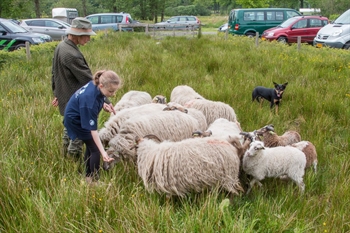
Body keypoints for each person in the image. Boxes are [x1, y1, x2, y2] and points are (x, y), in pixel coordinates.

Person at [51, 17, 115, 159]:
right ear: (78, 34)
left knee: (69, 129)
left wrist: (56, 92)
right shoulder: (72, 55)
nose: (89, 39)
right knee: (79, 133)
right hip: (76, 101)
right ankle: (74, 162)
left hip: (65, 97)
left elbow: (54, 73)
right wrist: (106, 101)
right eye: (87, 36)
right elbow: (89, 80)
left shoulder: (61, 46)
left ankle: (65, 159)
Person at [64, 70, 120, 184]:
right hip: (76, 121)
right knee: (95, 149)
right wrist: (103, 153)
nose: (113, 94)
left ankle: (88, 176)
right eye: (111, 91)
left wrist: (103, 104)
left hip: (78, 115)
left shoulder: (95, 84)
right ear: (101, 85)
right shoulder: (89, 102)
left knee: (91, 146)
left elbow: (98, 96)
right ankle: (93, 180)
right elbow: (93, 132)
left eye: (114, 91)